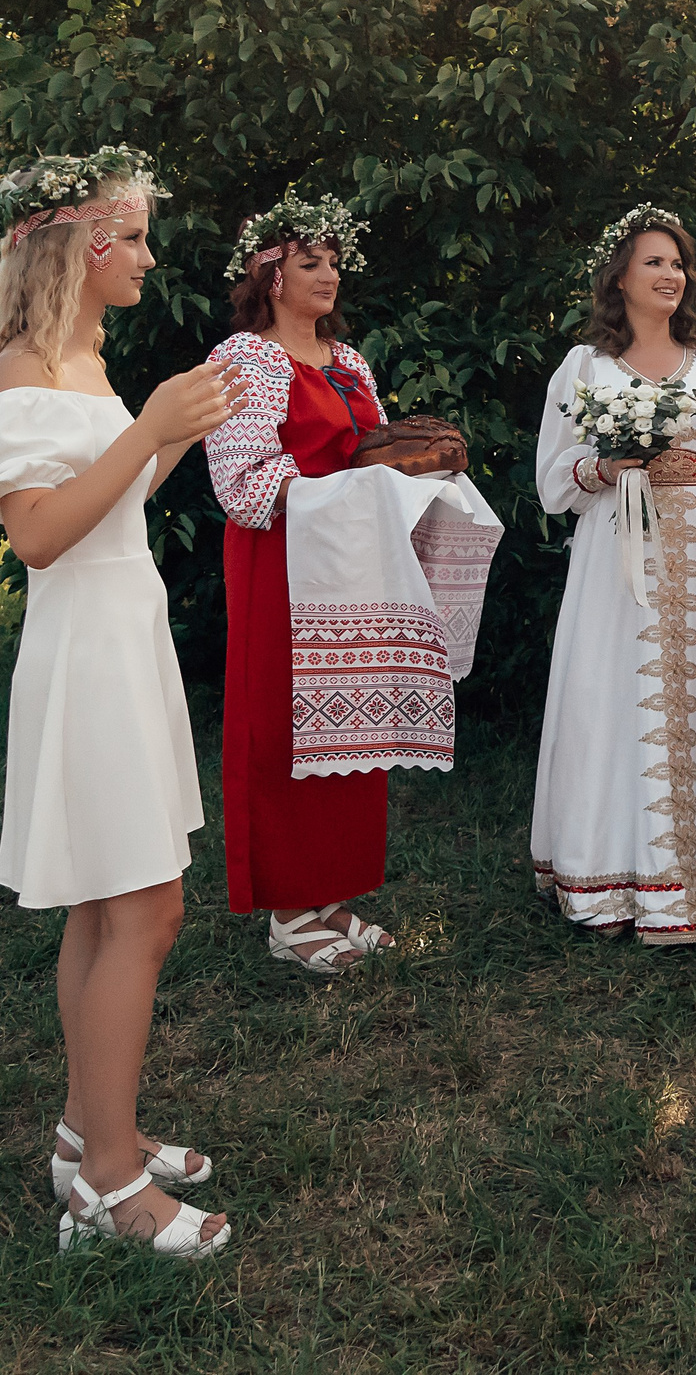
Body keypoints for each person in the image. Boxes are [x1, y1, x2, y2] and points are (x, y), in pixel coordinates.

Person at [0, 148, 239, 1257]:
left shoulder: (83, 360)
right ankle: (112, 1187)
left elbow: (109, 499)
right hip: (86, 648)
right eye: (131, 236)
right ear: (83, 245)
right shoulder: (23, 371)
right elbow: (37, 534)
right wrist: (149, 425)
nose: (147, 256)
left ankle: (89, 1131)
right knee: (144, 909)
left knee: (103, 902)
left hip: (124, 633)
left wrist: (174, 432)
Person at [204, 194, 466, 976]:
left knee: (351, 722)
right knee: (284, 724)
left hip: (351, 558)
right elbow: (244, 483)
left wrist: (409, 475)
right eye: (309, 262)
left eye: (334, 262)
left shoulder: (348, 362)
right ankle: (288, 911)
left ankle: (332, 893)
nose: (327, 275)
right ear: (270, 275)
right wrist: (348, 488)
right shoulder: (245, 358)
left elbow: (373, 453)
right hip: (279, 560)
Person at [530, 206, 696, 942]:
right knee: (611, 695)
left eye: (678, 263)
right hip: (613, 556)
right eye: (654, 261)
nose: (670, 274)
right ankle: (610, 874)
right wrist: (605, 466)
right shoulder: (584, 368)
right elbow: (551, 482)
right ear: (619, 276)